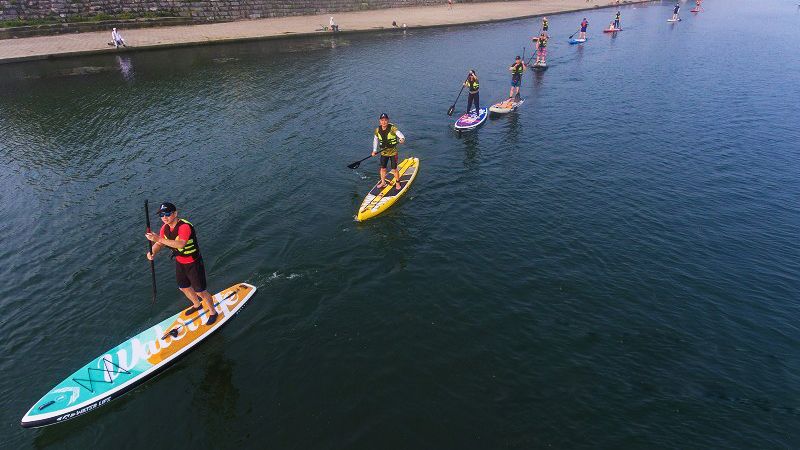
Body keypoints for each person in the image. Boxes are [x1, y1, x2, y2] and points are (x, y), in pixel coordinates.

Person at [145, 202, 218, 326]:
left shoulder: (184, 226)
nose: (164, 217)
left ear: (175, 213)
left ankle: (213, 312)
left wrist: (158, 239)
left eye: (167, 214)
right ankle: (197, 305)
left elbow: (181, 244)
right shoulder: (165, 228)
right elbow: (161, 244)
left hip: (193, 262)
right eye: (161, 215)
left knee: (200, 291)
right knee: (183, 287)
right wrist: (152, 252)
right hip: (180, 262)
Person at [371, 113, 406, 191]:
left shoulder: (392, 128)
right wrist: (374, 150)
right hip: (384, 153)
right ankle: (383, 182)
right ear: (380, 121)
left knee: (394, 169)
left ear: (388, 120)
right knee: (383, 168)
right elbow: (375, 140)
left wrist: (402, 139)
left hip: (393, 152)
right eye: (382, 120)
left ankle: (397, 182)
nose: (384, 122)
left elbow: (400, 134)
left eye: (385, 120)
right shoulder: (377, 130)